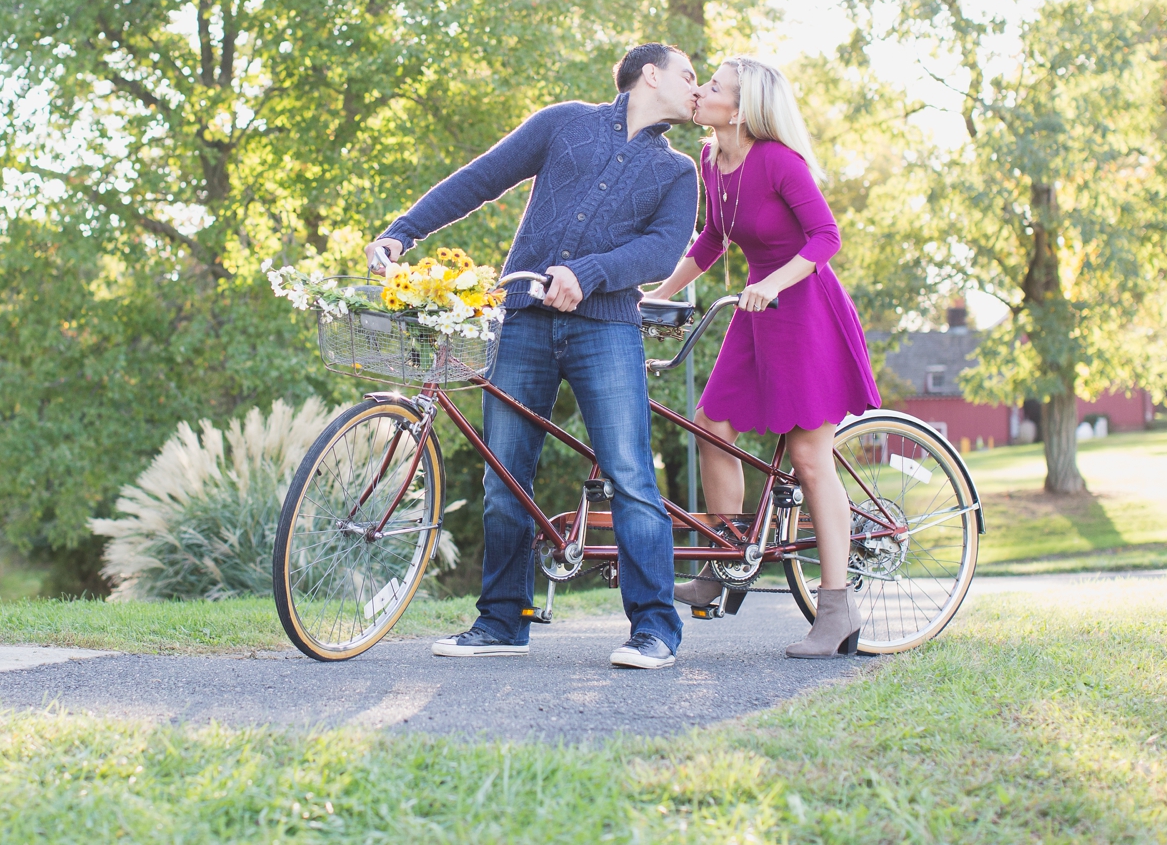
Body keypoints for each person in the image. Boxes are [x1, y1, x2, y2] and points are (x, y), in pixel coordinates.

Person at [367, 43, 699, 669]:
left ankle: (654, 629)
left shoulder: (679, 171)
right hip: (522, 321)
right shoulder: (563, 122)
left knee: (629, 475)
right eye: (688, 76)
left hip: (606, 330)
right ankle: (501, 621)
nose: (696, 90)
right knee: (505, 478)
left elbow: (661, 252)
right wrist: (402, 229)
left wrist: (591, 273)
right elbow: (480, 178)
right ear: (649, 75)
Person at [643, 56, 881, 658]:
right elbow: (711, 240)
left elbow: (826, 237)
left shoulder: (778, 161)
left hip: (803, 312)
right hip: (755, 313)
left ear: (742, 108)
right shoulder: (711, 161)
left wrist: (774, 282)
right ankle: (727, 561)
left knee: (808, 455)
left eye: (714, 86)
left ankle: (836, 607)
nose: (701, 91)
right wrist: (656, 296)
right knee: (711, 421)